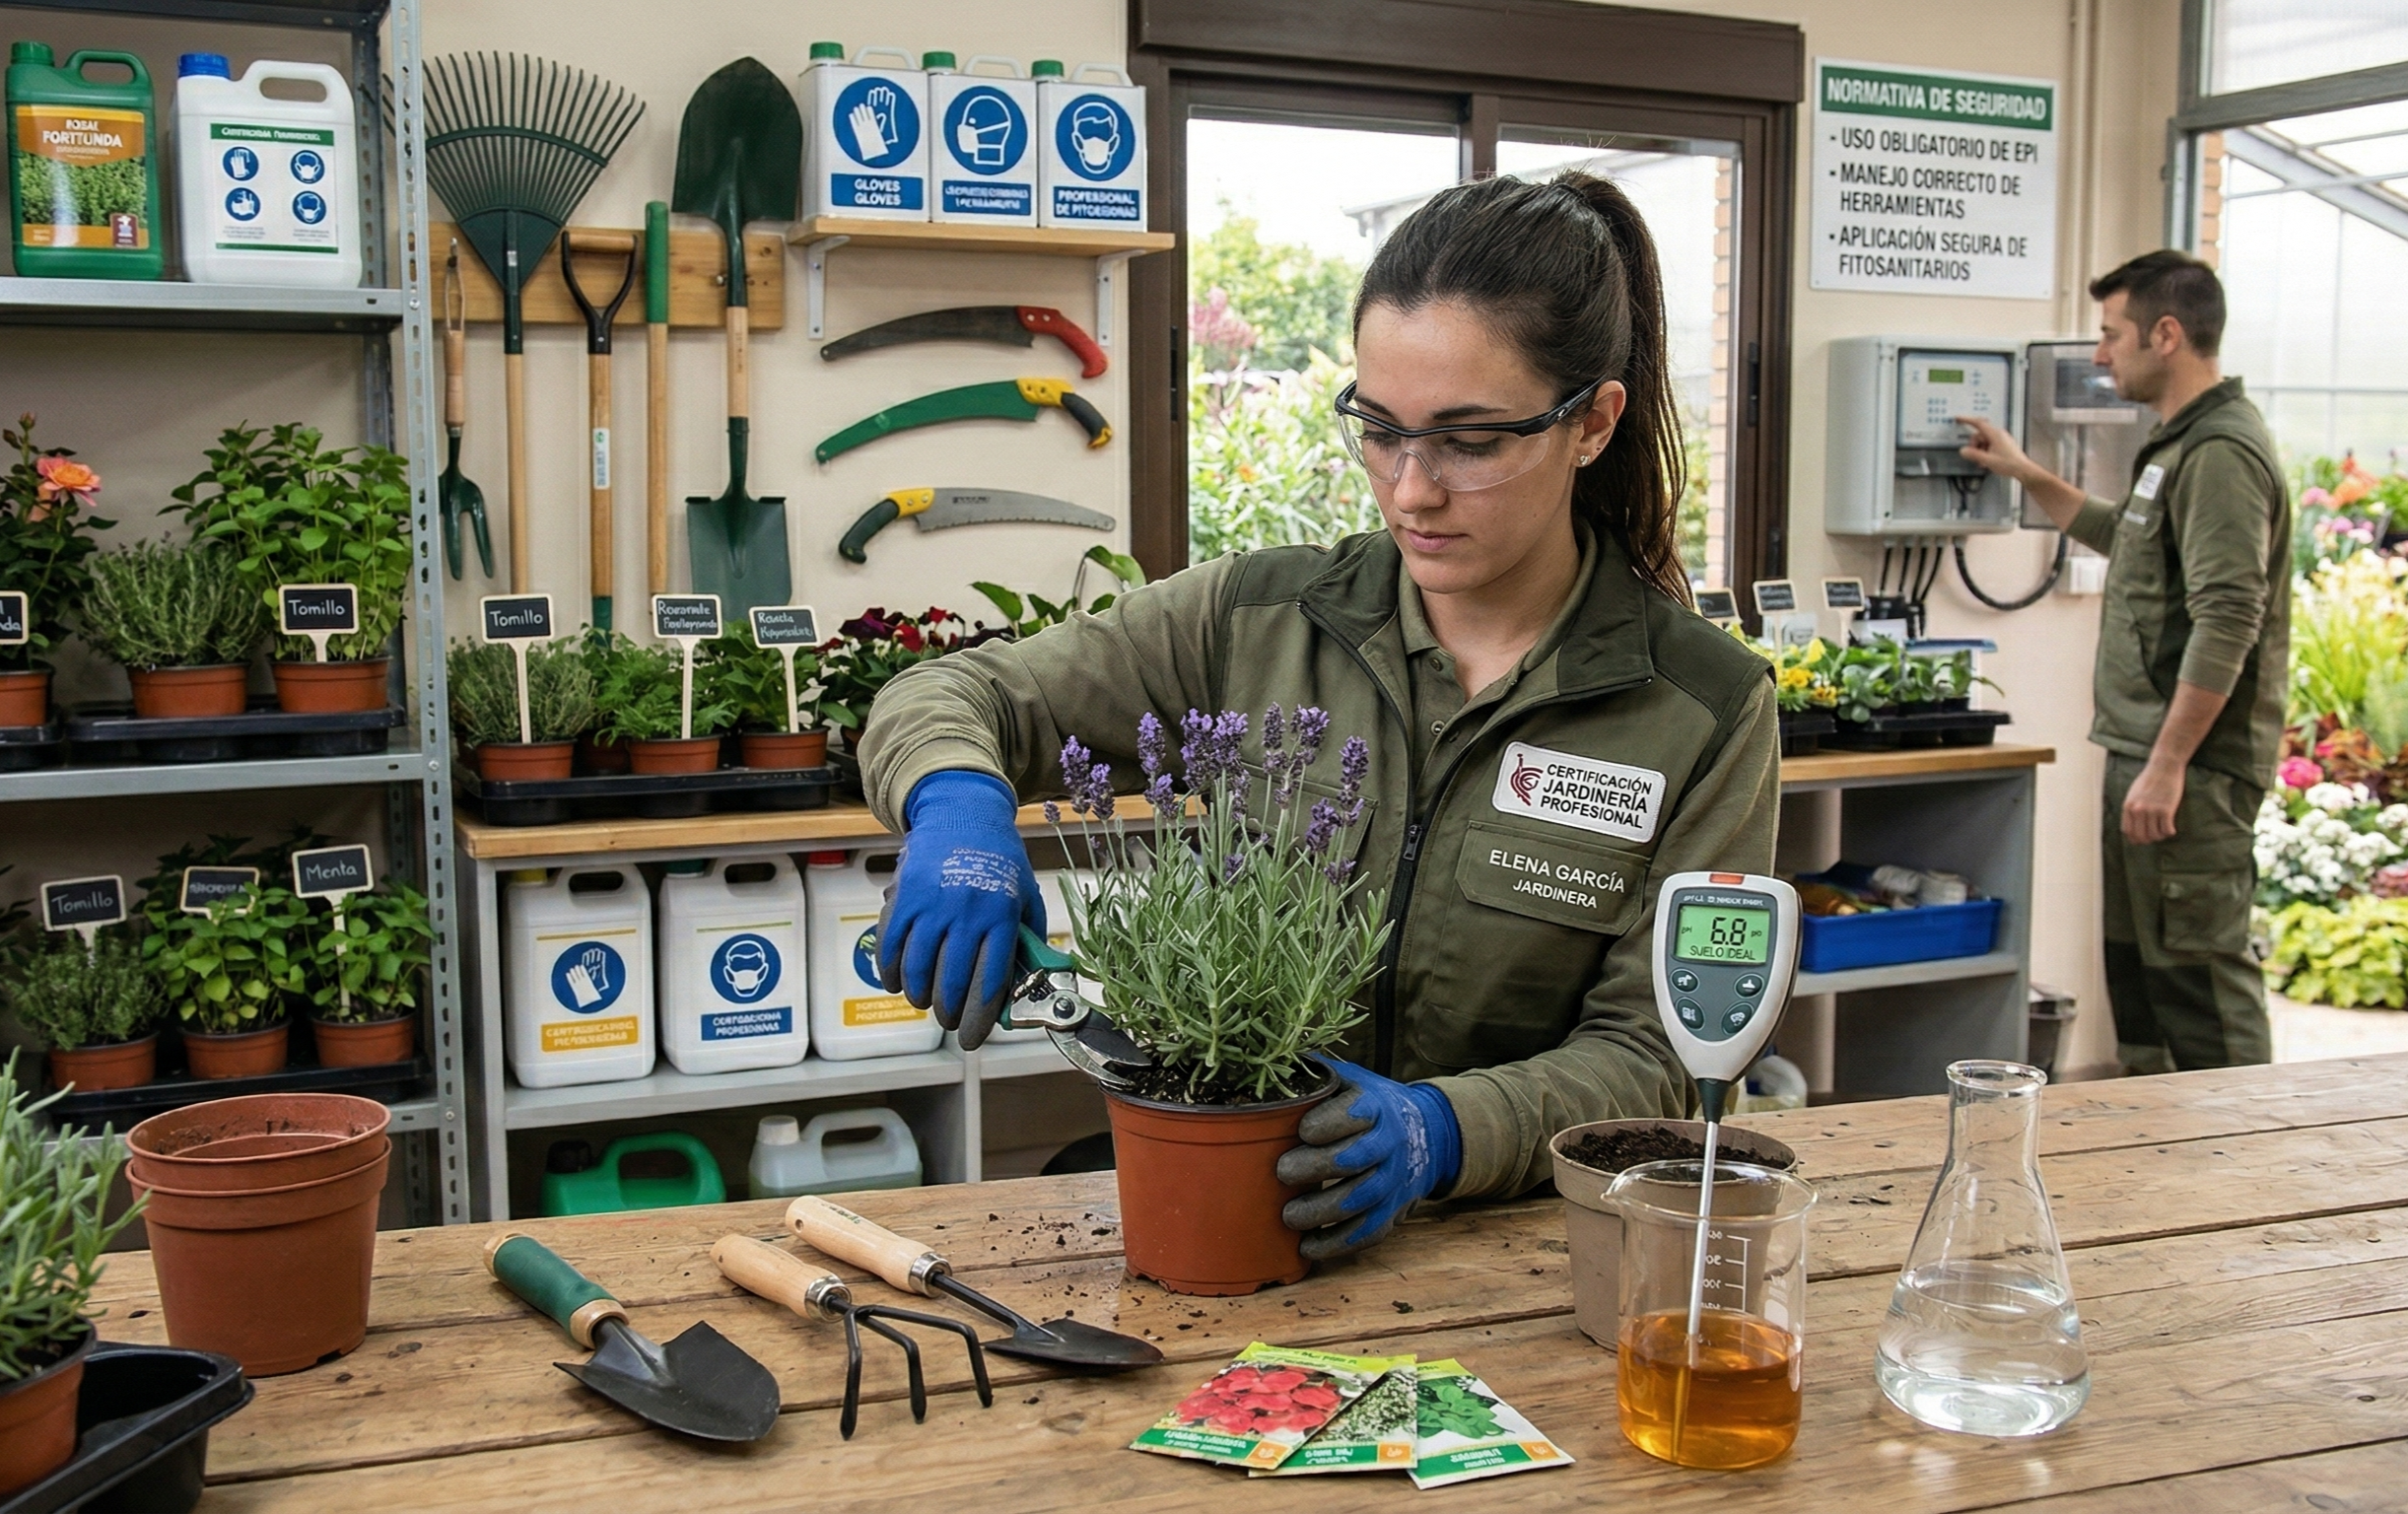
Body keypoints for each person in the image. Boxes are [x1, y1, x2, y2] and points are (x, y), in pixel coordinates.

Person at [857, 172, 1778, 1259]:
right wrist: (957, 804)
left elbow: (1660, 1051)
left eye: (1468, 441)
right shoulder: (1254, 618)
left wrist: (1443, 1130)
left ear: (1592, 424)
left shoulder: (1702, 712)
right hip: (1239, 1218)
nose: (1408, 490)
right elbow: (955, 693)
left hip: (1518, 1254)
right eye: (1378, 428)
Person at [1959, 249, 2288, 1073]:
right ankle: (2160, 1160)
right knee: (2139, 977)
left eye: (2111, 335)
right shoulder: (2176, 448)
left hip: (2194, 773)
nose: (2099, 356)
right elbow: (2124, 536)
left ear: (2166, 334)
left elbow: (2227, 615)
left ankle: (2244, 1159)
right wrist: (2024, 471)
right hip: (2147, 755)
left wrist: (2170, 763)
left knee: (2199, 983)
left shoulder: (2219, 455)